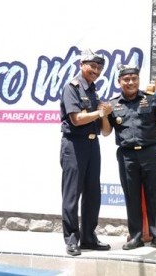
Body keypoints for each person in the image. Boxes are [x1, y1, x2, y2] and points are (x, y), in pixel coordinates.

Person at [101, 64, 156, 251]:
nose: (130, 82)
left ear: (138, 80)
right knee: (132, 196)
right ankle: (135, 236)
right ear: (119, 82)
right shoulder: (113, 104)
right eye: (126, 79)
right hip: (127, 155)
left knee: (154, 195)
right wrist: (103, 116)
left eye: (134, 79)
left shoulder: (151, 100)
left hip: (149, 152)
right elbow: (105, 132)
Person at [59, 49, 112, 256]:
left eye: (99, 68)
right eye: (93, 66)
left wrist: (104, 114)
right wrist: (100, 112)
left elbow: (104, 129)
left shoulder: (93, 91)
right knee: (72, 194)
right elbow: (76, 119)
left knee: (93, 194)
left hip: (92, 145)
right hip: (74, 145)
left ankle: (89, 237)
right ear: (82, 65)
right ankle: (72, 239)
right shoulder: (72, 87)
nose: (96, 71)